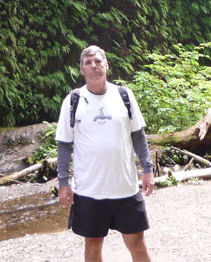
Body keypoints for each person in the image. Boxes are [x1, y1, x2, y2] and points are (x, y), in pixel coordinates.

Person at [56, 45, 154, 262]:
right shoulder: (73, 101)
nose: (94, 66)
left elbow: (138, 135)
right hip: (89, 189)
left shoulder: (124, 95)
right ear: (82, 70)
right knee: (93, 243)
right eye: (88, 63)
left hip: (125, 186)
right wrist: (63, 182)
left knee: (137, 242)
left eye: (98, 62)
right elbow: (64, 144)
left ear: (106, 65)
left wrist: (147, 169)